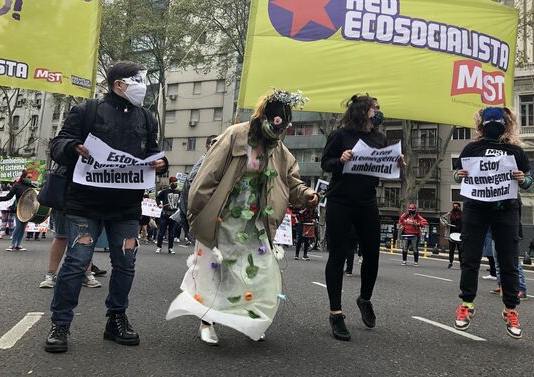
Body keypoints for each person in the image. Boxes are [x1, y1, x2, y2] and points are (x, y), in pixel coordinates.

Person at [166, 89, 317, 345]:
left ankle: (251, 320)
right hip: (222, 215)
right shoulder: (236, 135)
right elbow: (208, 174)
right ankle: (207, 321)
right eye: (275, 125)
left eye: (282, 129)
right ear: (263, 118)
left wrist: (308, 194)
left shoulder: (279, 150)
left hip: (255, 222)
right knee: (215, 269)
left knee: (258, 270)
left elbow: (292, 183)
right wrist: (196, 210)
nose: (277, 133)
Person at [44, 61, 168, 353]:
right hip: (85, 204)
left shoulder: (147, 118)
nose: (143, 85)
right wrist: (72, 147)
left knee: (125, 263)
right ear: (118, 85)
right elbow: (58, 144)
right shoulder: (86, 111)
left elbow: (152, 153)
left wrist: (161, 164)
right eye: (137, 80)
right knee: (76, 262)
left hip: (126, 207)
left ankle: (116, 320)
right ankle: (60, 323)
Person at [321, 94, 405, 341]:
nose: (378, 112)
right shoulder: (340, 136)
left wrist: (398, 163)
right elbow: (326, 163)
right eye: (374, 108)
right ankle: (336, 314)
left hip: (367, 202)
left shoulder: (379, 138)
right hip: (340, 201)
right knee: (337, 255)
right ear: (362, 111)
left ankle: (364, 298)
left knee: (372, 255)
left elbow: (385, 166)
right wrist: (341, 159)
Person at [452, 107, 532, 340]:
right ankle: (467, 304)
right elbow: (458, 174)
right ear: (482, 124)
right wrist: (461, 176)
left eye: (498, 120)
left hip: (505, 209)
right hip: (476, 209)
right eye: (490, 120)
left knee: (508, 260)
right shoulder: (471, 148)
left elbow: (528, 180)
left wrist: (522, 178)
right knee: (470, 257)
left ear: (506, 123)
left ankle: (511, 309)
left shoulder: (515, 151)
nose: (494, 124)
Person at [170, 135, 218, 242]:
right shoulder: (204, 161)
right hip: (200, 209)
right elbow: (191, 182)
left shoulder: (219, 162)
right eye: (213, 144)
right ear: (207, 146)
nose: (216, 147)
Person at [39, 211, 103, 289]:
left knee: (86, 237)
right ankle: (51, 274)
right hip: (63, 204)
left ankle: (86, 273)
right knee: (61, 236)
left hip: (86, 203)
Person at [0, 171, 36, 251]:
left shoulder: (31, 186)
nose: (30, 179)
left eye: (31, 177)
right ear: (23, 177)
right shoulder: (17, 186)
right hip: (18, 208)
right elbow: (9, 196)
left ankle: (18, 244)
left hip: (28, 210)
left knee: (23, 227)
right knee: (19, 226)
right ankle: (13, 244)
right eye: (28, 177)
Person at [155, 177, 180, 254]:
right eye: (174, 183)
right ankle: (159, 247)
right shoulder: (164, 191)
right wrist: (159, 204)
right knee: (161, 232)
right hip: (165, 214)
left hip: (174, 215)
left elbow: (182, 200)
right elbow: (157, 198)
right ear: (170, 183)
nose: (175, 184)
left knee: (172, 233)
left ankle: (170, 248)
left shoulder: (179, 192)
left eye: (176, 183)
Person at [442, 202, 463, 268]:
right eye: (454, 206)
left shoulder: (463, 214)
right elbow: (442, 218)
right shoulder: (449, 214)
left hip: (460, 235)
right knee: (451, 249)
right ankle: (450, 262)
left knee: (460, 250)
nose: (455, 207)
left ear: (459, 207)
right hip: (451, 234)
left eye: (457, 206)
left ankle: (461, 263)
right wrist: (445, 223)